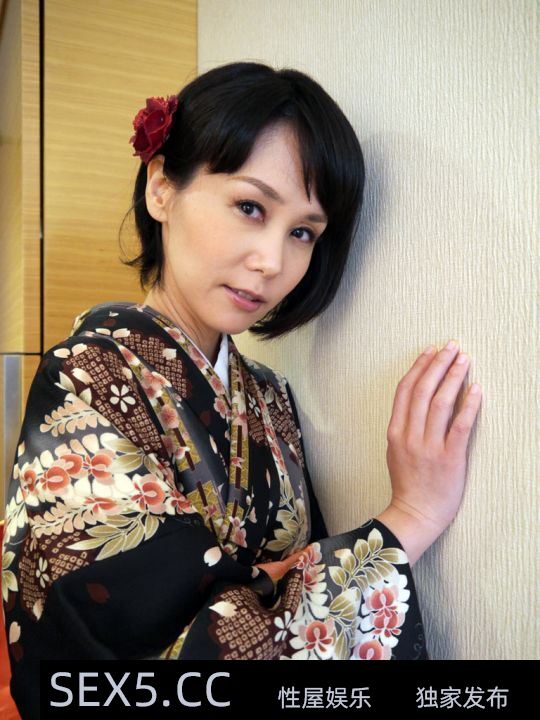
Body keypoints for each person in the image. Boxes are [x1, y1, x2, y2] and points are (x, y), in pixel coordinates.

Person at [2, 61, 482, 717]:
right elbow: (137, 651)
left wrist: (276, 582)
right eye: (250, 207)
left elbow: (279, 593)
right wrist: (409, 519)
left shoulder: (269, 398)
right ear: (162, 188)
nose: (272, 262)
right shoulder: (85, 375)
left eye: (302, 232)